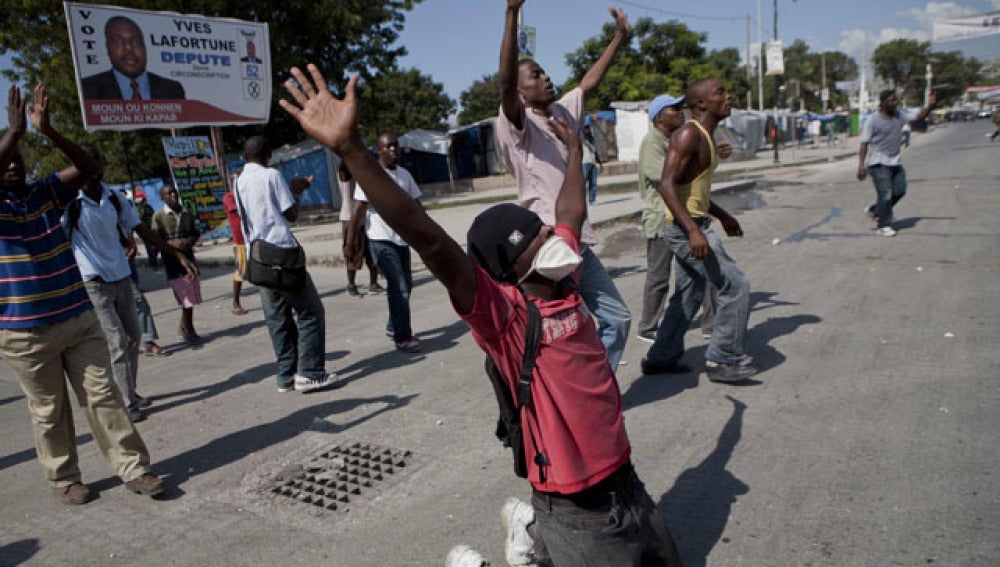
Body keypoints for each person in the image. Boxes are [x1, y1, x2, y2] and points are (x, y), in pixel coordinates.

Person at [279, 62, 683, 567]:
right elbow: (427, 237)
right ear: (507, 272)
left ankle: (528, 534)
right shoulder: (505, 315)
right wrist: (351, 149)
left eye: (542, 230)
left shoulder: (564, 276)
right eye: (533, 241)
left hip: (628, 485)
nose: (549, 238)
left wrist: (576, 149)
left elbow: (570, 211)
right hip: (576, 507)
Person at [0, 83, 164, 504]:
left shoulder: (44, 192)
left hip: (76, 315)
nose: (14, 167)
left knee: (104, 396)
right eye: (7, 162)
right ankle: (65, 477)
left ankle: (134, 468)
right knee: (49, 411)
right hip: (24, 333)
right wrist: (13, 134)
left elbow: (87, 170)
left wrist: (48, 132)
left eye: (19, 161)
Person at [497, 0, 632, 372]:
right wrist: (511, 14)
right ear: (522, 94)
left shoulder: (560, 111)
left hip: (578, 242)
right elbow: (506, 81)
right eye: (536, 76)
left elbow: (589, 82)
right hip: (548, 242)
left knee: (617, 319)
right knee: (562, 328)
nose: (546, 78)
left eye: (544, 72)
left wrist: (619, 38)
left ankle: (594, 387)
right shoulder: (516, 123)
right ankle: (567, 393)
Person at [65, 145, 198, 422]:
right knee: (115, 341)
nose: (89, 168)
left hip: (121, 276)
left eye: (93, 161)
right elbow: (61, 240)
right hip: (93, 281)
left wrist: (176, 254)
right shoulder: (71, 202)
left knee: (133, 337)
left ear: (99, 166)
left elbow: (141, 230)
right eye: (82, 162)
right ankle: (126, 403)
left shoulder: (113, 198)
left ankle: (130, 391)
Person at [641, 78, 756, 384]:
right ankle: (722, 359)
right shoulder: (688, 134)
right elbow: (666, 185)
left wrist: (723, 215)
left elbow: (693, 191)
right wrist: (694, 230)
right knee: (734, 285)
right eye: (721, 92)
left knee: (689, 295)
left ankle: (660, 357)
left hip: (693, 222)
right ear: (702, 103)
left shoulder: (704, 135)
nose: (728, 96)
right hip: (683, 228)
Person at [235, 136, 338, 393]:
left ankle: (286, 375)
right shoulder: (271, 175)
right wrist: (297, 190)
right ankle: (311, 373)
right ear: (268, 154)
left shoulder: (238, 182)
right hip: (281, 255)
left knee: (277, 318)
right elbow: (291, 214)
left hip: (258, 258)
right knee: (311, 312)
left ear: (245, 157)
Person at [348, 133, 422, 353]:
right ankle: (403, 336)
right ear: (378, 150)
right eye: (387, 146)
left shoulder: (404, 175)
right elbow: (359, 210)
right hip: (380, 239)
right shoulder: (370, 176)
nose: (392, 149)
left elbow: (417, 206)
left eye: (395, 146)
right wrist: (351, 241)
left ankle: (393, 324)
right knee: (398, 286)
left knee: (406, 285)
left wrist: (428, 233)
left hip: (402, 238)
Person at [858, 89, 936, 237]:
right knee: (886, 194)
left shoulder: (900, 115)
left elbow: (919, 117)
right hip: (878, 163)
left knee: (900, 190)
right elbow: (864, 144)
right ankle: (883, 225)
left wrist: (931, 106)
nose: (895, 103)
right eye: (891, 101)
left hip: (894, 162)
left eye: (896, 100)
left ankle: (875, 210)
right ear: (882, 103)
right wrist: (861, 166)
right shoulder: (873, 120)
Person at [81, 16, 185, 101]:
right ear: (108, 47)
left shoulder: (172, 89)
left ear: (144, 47)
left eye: (136, 41)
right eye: (118, 41)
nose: (129, 48)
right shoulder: (89, 88)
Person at [151, 184, 203, 344]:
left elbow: (195, 231)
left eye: (174, 192)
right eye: (168, 194)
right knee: (185, 294)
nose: (172, 196)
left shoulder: (186, 212)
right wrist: (171, 244)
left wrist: (189, 241)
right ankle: (189, 329)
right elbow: (155, 238)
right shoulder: (159, 216)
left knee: (191, 293)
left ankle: (183, 325)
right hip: (172, 260)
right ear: (162, 198)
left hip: (188, 257)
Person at [337, 162, 382, 297]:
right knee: (353, 252)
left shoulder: (361, 175)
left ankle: (373, 284)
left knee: (371, 252)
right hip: (350, 217)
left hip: (365, 218)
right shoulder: (346, 176)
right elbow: (343, 167)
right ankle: (351, 284)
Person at [222, 173, 250, 315]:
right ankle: (236, 302)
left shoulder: (247, 195)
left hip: (252, 238)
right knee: (241, 272)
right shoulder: (229, 197)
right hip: (240, 240)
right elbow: (239, 211)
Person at [133, 189, 159, 268]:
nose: (146, 200)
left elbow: (154, 216)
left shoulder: (148, 207)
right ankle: (153, 263)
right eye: (144, 199)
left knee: (156, 245)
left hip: (152, 229)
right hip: (144, 231)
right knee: (149, 246)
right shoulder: (137, 210)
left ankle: (153, 259)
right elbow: (139, 218)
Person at [581, 124, 601, 205]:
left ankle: (592, 200)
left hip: (593, 162)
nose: (587, 131)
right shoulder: (581, 140)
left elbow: (595, 152)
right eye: (585, 129)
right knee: (583, 182)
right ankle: (581, 200)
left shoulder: (592, 139)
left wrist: (599, 162)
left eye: (588, 129)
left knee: (593, 183)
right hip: (585, 162)